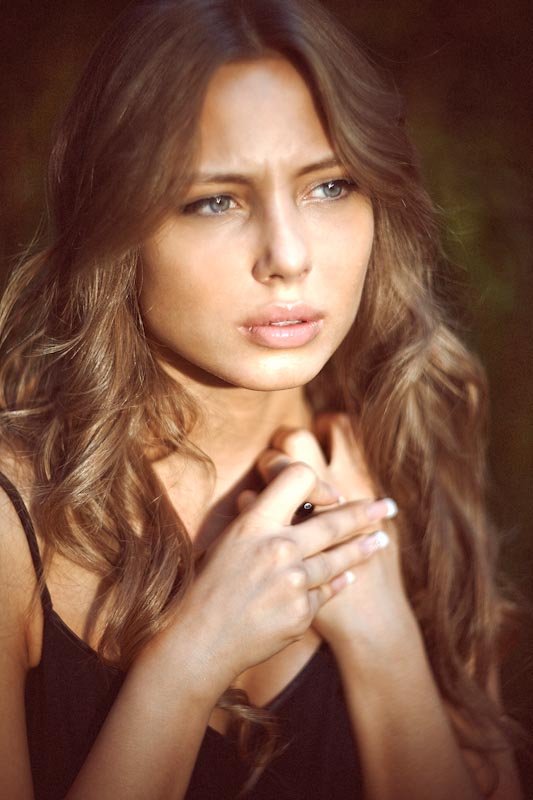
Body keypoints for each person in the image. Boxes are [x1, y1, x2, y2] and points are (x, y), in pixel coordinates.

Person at [0, 0, 524, 798]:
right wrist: (189, 664)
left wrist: (383, 640)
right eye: (217, 200)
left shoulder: (403, 443)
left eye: (330, 186)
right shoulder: (16, 522)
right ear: (114, 222)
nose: (287, 254)